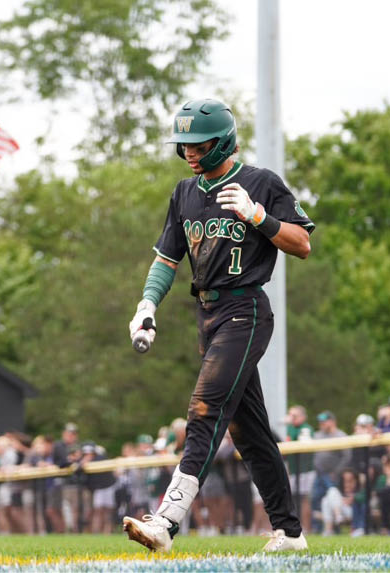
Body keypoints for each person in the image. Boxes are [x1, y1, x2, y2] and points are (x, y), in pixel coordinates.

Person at [123, 98, 314, 552]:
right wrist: (147, 304)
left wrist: (258, 216)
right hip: (207, 316)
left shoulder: (261, 182)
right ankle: (289, 533)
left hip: (245, 310)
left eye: (200, 144)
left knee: (205, 409)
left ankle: (166, 523)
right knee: (250, 432)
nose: (190, 152)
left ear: (223, 141)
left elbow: (302, 243)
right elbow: (167, 259)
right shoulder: (184, 192)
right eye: (184, 144)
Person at [311, 410, 351, 532]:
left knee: (332, 499)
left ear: (333, 421)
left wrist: (337, 471)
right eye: (320, 422)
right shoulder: (317, 435)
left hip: (333, 474)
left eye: (324, 421)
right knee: (316, 499)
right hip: (319, 473)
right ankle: (318, 528)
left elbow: (347, 456)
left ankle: (335, 529)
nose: (322, 424)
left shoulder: (341, 435)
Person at [285, 405, 315, 533]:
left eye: (294, 416)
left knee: (303, 498)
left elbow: (304, 444)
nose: (291, 418)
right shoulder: (290, 428)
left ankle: (307, 528)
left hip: (304, 470)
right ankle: (298, 526)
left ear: (302, 417)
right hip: (294, 470)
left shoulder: (306, 428)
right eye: (290, 415)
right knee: (294, 499)